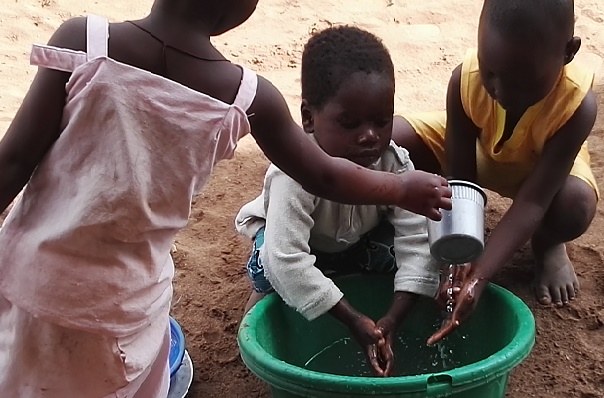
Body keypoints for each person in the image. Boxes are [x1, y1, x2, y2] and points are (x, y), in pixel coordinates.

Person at [0, 1, 455, 397]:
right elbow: (322, 176)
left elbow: (14, 160)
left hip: (32, 273)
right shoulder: (245, 95)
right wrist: (400, 188)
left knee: (25, 372)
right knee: (114, 379)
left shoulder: (84, 38)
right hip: (125, 298)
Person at [236, 25, 442, 377]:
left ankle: (349, 283)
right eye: (350, 123)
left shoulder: (393, 162)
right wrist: (351, 318)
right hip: (285, 244)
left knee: (410, 257)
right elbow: (287, 260)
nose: (369, 136)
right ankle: (259, 318)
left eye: (382, 120)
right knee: (271, 272)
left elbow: (415, 240)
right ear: (308, 118)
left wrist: (393, 316)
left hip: (355, 242)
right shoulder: (294, 173)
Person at [391, 0, 599, 344]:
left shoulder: (576, 105)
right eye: (490, 72)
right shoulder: (466, 80)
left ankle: (547, 245)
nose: (502, 92)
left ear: (568, 52)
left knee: (574, 206)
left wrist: (480, 275)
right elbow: (461, 182)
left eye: (523, 81)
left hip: (540, 173)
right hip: (480, 153)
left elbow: (534, 202)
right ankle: (395, 228)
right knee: (393, 143)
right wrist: (460, 258)